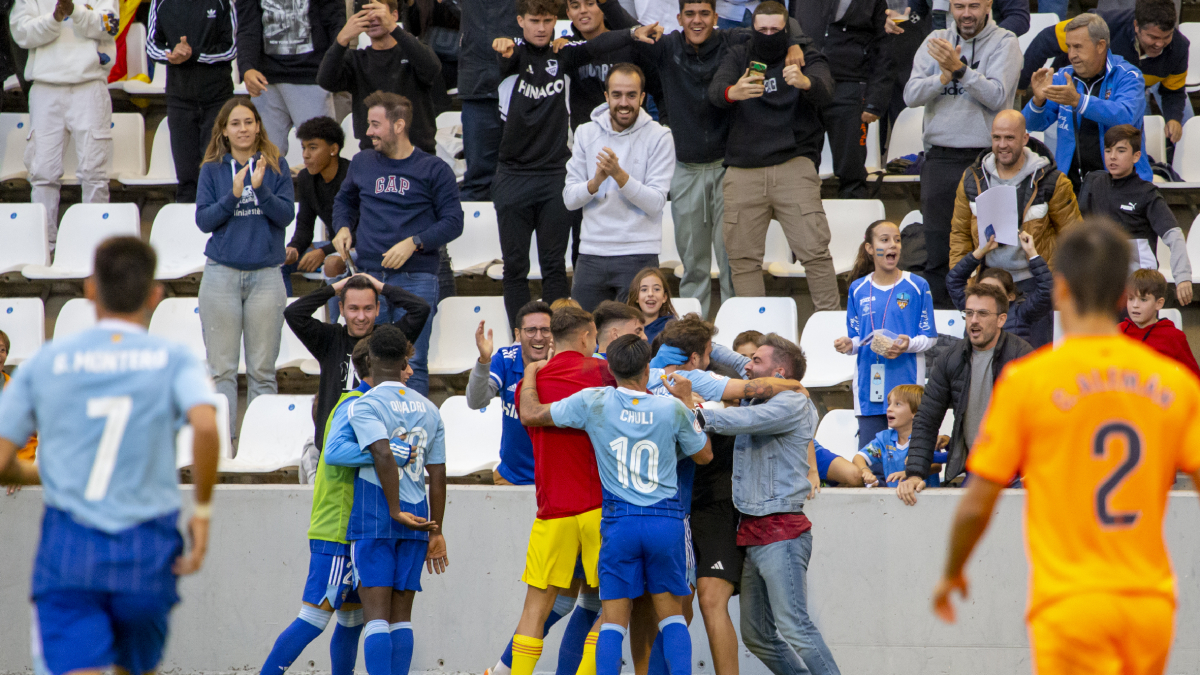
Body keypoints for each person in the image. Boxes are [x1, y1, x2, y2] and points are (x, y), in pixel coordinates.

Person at [931, 221, 1200, 675]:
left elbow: (977, 504)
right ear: (1121, 294)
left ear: (1059, 291)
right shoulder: (1173, 383)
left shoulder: (1029, 381)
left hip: (1069, 603)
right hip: (1147, 604)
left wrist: (953, 571)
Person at [0, 237, 220, 675]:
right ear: (155, 295)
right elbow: (208, 426)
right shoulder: (173, 358)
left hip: (70, 544)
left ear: (88, 289)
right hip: (147, 546)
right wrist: (202, 510)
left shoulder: (47, 361)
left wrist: (41, 472)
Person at [519, 334, 713, 675]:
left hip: (619, 521)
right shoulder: (670, 408)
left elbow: (532, 414)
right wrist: (687, 402)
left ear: (610, 368)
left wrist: (532, 373)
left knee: (612, 623)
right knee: (672, 619)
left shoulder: (595, 400)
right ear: (647, 367)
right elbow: (704, 455)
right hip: (663, 520)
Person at [491, 0, 661, 327]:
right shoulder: (510, 55)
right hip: (512, 173)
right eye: (534, 21)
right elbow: (504, 54)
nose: (541, 28)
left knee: (554, 265)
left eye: (546, 21)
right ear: (520, 21)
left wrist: (632, 32)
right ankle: (519, 338)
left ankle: (558, 337)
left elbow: (600, 43)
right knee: (514, 267)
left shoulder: (564, 53)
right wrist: (503, 45)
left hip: (556, 173)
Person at [631, 0, 805, 317]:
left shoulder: (732, 41)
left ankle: (733, 342)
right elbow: (614, 36)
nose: (697, 21)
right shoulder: (667, 46)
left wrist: (792, 43)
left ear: (715, 17)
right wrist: (630, 27)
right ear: (679, 17)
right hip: (685, 170)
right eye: (690, 14)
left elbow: (775, 28)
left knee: (731, 264)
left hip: (730, 170)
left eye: (704, 14)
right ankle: (690, 339)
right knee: (693, 267)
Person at [697, 333, 840, 675]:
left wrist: (696, 412)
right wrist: (694, 335)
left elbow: (742, 422)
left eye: (756, 361)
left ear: (778, 373)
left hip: (781, 534)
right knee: (758, 636)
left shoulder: (790, 403)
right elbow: (734, 361)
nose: (747, 365)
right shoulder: (764, 392)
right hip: (754, 531)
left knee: (795, 629)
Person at [491, 306, 616, 675]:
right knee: (613, 604)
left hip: (552, 508)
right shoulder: (603, 373)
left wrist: (531, 373)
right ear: (586, 336)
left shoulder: (527, 386)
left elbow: (526, 412)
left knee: (535, 608)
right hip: (599, 507)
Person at [323, 325, 448, 675]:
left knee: (375, 618)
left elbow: (380, 452)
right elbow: (437, 474)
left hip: (375, 515)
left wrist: (392, 509)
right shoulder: (430, 408)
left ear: (371, 359)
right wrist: (436, 530)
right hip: (419, 516)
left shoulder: (365, 404)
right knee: (402, 618)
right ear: (406, 360)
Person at [331, 92, 464, 396]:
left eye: (376, 125)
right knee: (366, 363)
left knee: (409, 364)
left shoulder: (434, 169)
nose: (369, 132)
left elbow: (454, 222)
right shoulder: (362, 163)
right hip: (368, 276)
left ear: (399, 125)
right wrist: (342, 227)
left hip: (416, 279)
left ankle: (410, 438)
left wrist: (415, 243)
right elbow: (344, 201)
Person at [708, 1, 839, 310]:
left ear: (787, 30)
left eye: (775, 30)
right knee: (742, 259)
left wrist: (806, 83)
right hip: (743, 169)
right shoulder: (739, 54)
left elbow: (827, 90)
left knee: (816, 253)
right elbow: (716, 91)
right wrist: (732, 92)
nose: (768, 35)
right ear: (752, 29)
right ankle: (755, 337)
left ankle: (832, 331)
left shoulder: (805, 56)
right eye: (761, 29)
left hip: (794, 165)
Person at [258, 340, 374, 675]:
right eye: (403, 364)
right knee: (313, 619)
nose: (409, 372)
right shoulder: (354, 406)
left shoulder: (362, 404)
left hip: (353, 530)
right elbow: (337, 454)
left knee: (351, 621)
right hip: (337, 531)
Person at [903, 0, 1021, 306]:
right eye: (959, 5)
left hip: (987, 161)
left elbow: (997, 95)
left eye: (973, 5)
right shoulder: (935, 41)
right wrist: (942, 77)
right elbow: (910, 94)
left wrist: (959, 71)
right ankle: (945, 332)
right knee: (939, 253)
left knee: (991, 250)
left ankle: (992, 327)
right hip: (940, 159)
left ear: (988, 5)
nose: (966, 13)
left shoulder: (1004, 42)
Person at [195, 98, 295, 439]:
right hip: (221, 274)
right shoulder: (212, 169)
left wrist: (260, 188)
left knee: (263, 371)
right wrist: (234, 195)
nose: (243, 129)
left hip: (266, 275)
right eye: (235, 123)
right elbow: (204, 220)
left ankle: (260, 443)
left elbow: (286, 216)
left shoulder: (276, 164)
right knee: (222, 370)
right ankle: (224, 445)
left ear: (258, 126)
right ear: (224, 130)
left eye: (249, 122)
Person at [947, 109, 1081, 347]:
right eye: (997, 138)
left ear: (1024, 138)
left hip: (1033, 286)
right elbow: (959, 234)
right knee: (983, 361)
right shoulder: (972, 178)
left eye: (1009, 138)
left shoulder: (1051, 180)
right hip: (988, 282)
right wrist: (969, 285)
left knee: (1033, 363)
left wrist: (1061, 288)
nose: (1002, 145)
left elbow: (1074, 237)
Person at [896, 283, 1032, 504]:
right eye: (969, 313)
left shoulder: (1022, 356)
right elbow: (927, 417)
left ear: (1001, 319)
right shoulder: (951, 358)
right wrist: (915, 473)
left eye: (982, 313)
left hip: (1019, 472)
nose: (974, 320)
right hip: (977, 470)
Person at [565, 63, 675, 311]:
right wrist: (595, 183)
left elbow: (656, 203)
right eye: (617, 95)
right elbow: (569, 199)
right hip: (591, 253)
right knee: (584, 337)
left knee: (632, 341)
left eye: (631, 95)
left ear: (642, 97)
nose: (623, 102)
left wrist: (619, 175)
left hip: (639, 253)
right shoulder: (585, 132)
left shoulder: (660, 136)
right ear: (606, 97)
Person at [10, 0, 118, 250]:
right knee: (42, 173)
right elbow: (21, 33)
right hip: (45, 87)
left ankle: (95, 248)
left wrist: (75, 12)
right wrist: (55, 18)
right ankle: (43, 247)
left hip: (90, 84)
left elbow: (110, 25)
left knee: (94, 173)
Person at [284, 273, 431, 452]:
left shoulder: (388, 340)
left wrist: (381, 287)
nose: (361, 317)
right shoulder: (328, 339)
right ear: (342, 308)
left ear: (378, 308)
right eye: (353, 308)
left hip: (378, 445)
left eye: (368, 308)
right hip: (335, 444)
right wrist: (335, 288)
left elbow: (421, 309)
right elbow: (293, 313)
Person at [1019, 0, 1190, 144]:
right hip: (1070, 91)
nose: (1159, 44)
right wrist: (1022, 85)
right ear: (1136, 25)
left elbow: (1172, 91)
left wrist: (1173, 117)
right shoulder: (1100, 25)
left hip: (1114, 104)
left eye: (1166, 37)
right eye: (1153, 37)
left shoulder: (1179, 48)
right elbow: (1045, 40)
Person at [835, 220, 938, 445]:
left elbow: (930, 337)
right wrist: (848, 345)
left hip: (907, 386)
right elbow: (856, 338)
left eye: (897, 240)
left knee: (906, 463)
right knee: (872, 466)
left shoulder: (917, 285)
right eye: (885, 240)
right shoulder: (857, 288)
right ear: (870, 248)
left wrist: (907, 344)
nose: (893, 245)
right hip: (868, 389)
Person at [1025, 13, 1151, 192]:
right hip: (1072, 187)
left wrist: (1078, 101)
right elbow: (1032, 124)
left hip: (1123, 187)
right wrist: (1038, 100)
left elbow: (1126, 116)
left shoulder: (1129, 76)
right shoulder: (1063, 77)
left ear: (1100, 46)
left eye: (1078, 47)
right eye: (1069, 47)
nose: (1071, 55)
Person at [1079, 124, 1193, 306]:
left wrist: (1183, 277)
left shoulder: (1147, 193)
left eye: (1121, 150)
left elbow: (1174, 235)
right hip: (1103, 289)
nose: (1112, 157)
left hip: (1139, 291)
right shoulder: (1095, 184)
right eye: (1108, 151)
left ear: (1136, 156)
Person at [793, 0, 892, 199]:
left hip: (850, 86)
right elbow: (782, 20)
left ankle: (856, 228)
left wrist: (875, 100)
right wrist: (791, 43)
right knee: (799, 171)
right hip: (805, 82)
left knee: (852, 173)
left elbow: (885, 49)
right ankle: (799, 226)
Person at [317, 0, 440, 154]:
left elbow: (432, 69)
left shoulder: (413, 52)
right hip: (372, 153)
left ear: (394, 15)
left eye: (377, 12)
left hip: (416, 152)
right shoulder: (356, 59)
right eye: (365, 14)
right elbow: (326, 80)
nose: (372, 19)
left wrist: (393, 28)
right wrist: (342, 39)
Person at [146, 0, 236, 203]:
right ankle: (186, 230)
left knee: (217, 174)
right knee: (186, 178)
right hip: (179, 99)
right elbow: (151, 45)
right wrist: (171, 55)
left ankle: (219, 228)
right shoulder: (160, 2)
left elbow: (232, 48)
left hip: (217, 99)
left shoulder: (223, 2)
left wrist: (193, 55)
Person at [234, 0, 342, 156]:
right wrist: (247, 68)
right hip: (266, 81)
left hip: (311, 77)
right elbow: (246, 27)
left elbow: (335, 20)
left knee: (322, 153)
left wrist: (333, 68)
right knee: (265, 157)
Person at [468, 300, 554, 487]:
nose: (539, 337)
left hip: (557, 480)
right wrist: (484, 361)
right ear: (517, 334)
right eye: (531, 330)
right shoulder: (506, 358)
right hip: (512, 478)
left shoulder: (564, 363)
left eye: (545, 330)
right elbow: (476, 401)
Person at [457, 0, 520, 201]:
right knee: (478, 180)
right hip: (478, 87)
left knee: (523, 177)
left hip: (523, 84)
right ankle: (478, 232)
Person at [284, 116, 351, 297]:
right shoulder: (306, 178)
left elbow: (361, 230)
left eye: (313, 148)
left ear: (333, 149)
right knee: (277, 261)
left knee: (331, 263)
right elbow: (305, 225)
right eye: (304, 148)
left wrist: (324, 251)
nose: (306, 155)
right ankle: (286, 319)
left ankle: (335, 323)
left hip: (357, 247)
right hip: (330, 247)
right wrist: (294, 248)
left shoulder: (352, 176)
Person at [948, 233, 1053, 347]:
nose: (986, 294)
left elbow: (1047, 290)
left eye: (995, 291)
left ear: (1010, 297)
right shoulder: (972, 306)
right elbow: (953, 280)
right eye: (982, 289)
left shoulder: (1021, 312)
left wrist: (1032, 252)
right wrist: (980, 251)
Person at [852, 384, 944, 487]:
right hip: (894, 499)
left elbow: (937, 466)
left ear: (916, 412)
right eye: (889, 404)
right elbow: (859, 457)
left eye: (897, 404)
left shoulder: (926, 437)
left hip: (926, 499)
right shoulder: (884, 440)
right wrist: (865, 471)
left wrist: (911, 473)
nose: (889, 409)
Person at [1121, 268, 1200, 378]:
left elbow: (1193, 378)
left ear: (1159, 303)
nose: (1135, 305)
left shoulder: (1173, 337)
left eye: (1143, 300)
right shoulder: (1117, 331)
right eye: (1130, 298)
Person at [0, 329, 37, 463]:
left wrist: (20, 464)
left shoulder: (17, 390)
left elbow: (29, 436)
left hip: (8, 465)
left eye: (2, 350)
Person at [627, 267, 677, 342]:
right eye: (644, 290)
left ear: (664, 297)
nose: (650, 294)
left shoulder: (672, 328)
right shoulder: (627, 326)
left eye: (656, 289)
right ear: (636, 297)